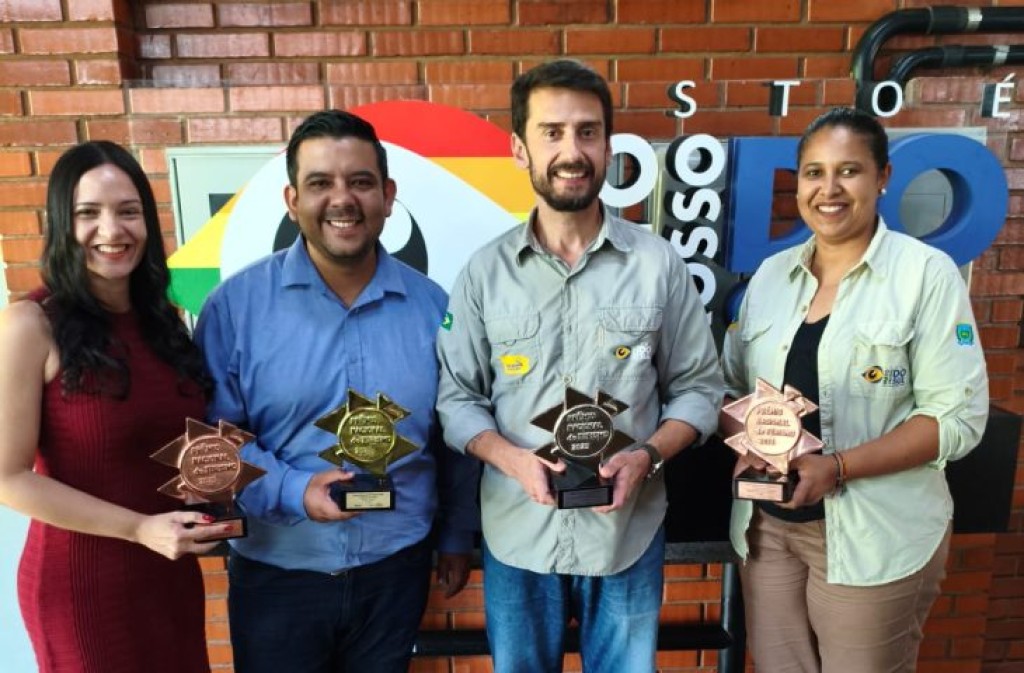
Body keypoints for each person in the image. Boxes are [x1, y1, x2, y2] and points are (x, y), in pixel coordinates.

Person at [436, 59, 723, 673]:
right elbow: (457, 399)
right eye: (552, 132)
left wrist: (646, 457)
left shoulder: (658, 265)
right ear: (520, 149)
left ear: (608, 146)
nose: (572, 151)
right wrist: (512, 460)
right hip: (518, 536)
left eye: (587, 132)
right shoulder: (484, 273)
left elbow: (699, 389)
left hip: (625, 537)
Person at [194, 109, 478, 673]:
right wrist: (294, 489)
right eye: (320, 182)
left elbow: (454, 433)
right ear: (292, 199)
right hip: (278, 575)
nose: (342, 199)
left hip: (395, 570)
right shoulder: (234, 308)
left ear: (388, 196)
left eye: (361, 182)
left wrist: (455, 534)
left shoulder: (435, 308)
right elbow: (214, 443)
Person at [720, 107, 989, 672]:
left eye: (849, 171)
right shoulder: (770, 277)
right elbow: (730, 387)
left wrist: (837, 467)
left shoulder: (925, 275)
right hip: (768, 530)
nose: (829, 189)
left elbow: (955, 420)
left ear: (882, 177)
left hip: (874, 538)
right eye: (814, 173)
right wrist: (750, 440)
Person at [0, 140, 219, 672]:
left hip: (167, 576)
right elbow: (6, 478)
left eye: (128, 211)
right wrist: (138, 528)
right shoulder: (30, 324)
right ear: (62, 223)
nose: (112, 230)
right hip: (82, 587)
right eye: (88, 213)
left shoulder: (164, 324)